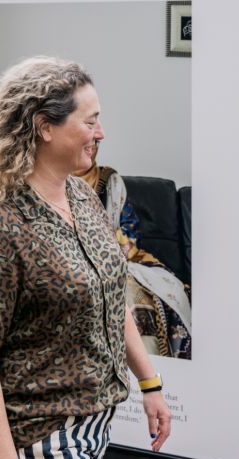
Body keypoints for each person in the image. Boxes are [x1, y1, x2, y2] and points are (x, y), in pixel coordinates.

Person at [0, 57, 171, 459]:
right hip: (42, 436)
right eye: (91, 121)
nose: (101, 133)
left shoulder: (82, 196)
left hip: (92, 427)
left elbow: (111, 294)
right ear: (45, 127)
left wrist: (150, 384)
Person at [75, 153, 192, 359]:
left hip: (118, 258)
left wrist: (112, 249)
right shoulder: (51, 181)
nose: (92, 147)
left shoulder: (110, 181)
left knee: (139, 296)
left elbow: (128, 230)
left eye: (96, 144)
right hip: (75, 262)